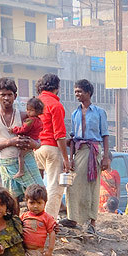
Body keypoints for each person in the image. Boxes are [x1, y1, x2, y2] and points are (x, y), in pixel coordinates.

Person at [0, 78, 44, 203]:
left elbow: (38, 138)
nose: (6, 98)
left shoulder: (24, 116)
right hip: (6, 163)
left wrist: (35, 144)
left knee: (39, 195)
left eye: (9, 95)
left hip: (27, 160)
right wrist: (10, 142)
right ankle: (15, 222)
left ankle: (36, 222)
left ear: (15, 96)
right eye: (3, 95)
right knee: (11, 201)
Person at [67, 79, 111, 233]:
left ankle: (92, 222)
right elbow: (72, 138)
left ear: (88, 93)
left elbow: (105, 135)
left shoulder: (99, 112)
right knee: (72, 185)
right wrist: (70, 159)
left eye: (79, 91)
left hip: (94, 151)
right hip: (79, 150)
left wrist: (106, 157)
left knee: (93, 186)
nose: (77, 95)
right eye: (76, 92)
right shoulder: (74, 113)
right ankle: (73, 217)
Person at [33, 73, 70, 218]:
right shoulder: (56, 105)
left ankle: (35, 216)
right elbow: (59, 135)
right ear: (57, 88)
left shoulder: (35, 102)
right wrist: (66, 159)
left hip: (36, 148)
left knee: (37, 186)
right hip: (51, 148)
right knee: (55, 187)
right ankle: (49, 220)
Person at [19, 184, 56, 256]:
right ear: (26, 202)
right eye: (32, 203)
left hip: (36, 250)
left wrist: (49, 250)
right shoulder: (24, 216)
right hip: (23, 248)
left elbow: (52, 233)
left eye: (39, 203)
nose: (35, 206)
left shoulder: (47, 218)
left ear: (45, 203)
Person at [9, 97, 44, 179]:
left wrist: (13, 130)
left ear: (37, 111)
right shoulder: (39, 121)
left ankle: (21, 171)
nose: (28, 112)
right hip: (35, 140)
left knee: (20, 155)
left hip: (28, 140)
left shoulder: (30, 120)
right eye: (27, 109)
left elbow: (23, 130)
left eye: (31, 110)